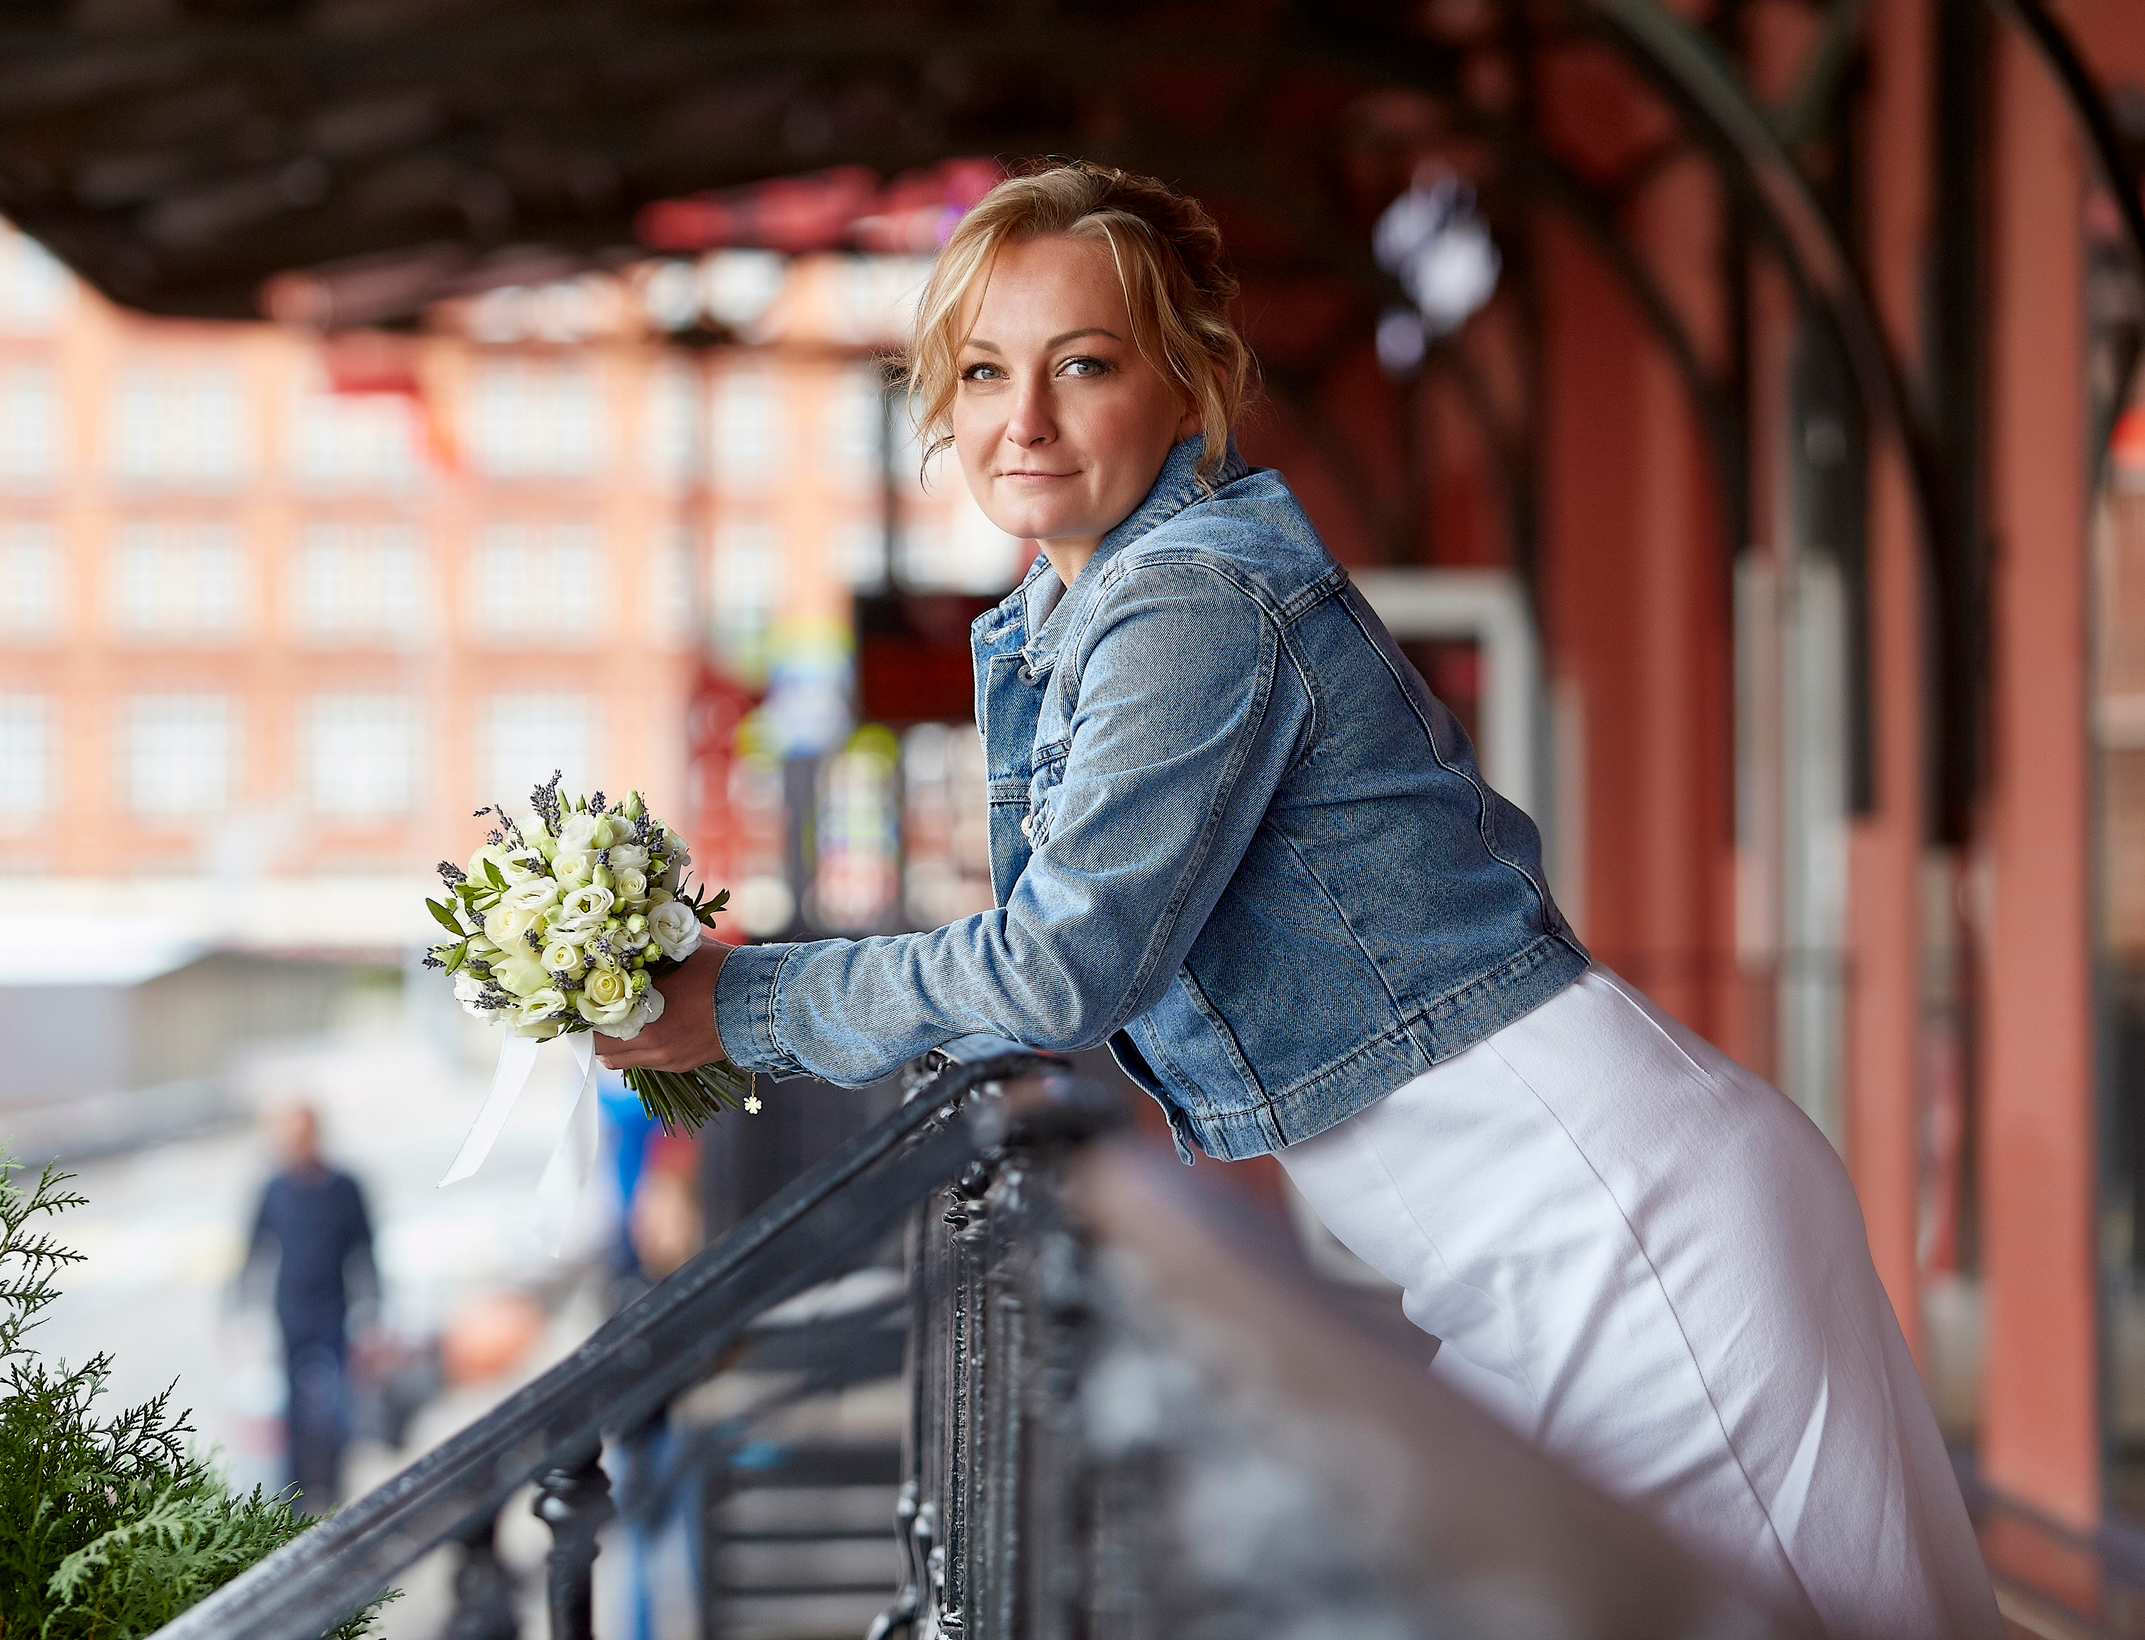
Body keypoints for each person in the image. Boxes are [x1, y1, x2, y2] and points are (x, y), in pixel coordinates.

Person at [602, 162, 1999, 1637]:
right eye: (983, 371)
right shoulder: (1061, 619)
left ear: (1190, 381)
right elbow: (1057, 924)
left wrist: (740, 1002)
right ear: (939, 404)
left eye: (1084, 363)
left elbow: (1059, 968)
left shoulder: (1188, 599)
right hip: (1526, 1240)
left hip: (1620, 1222)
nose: (1025, 419)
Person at [241, 1098, 377, 1515]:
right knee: (291, 1408)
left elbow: (367, 1251)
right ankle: (293, 1490)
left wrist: (375, 1312)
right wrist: (239, 1314)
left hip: (334, 1311)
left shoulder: (345, 1188)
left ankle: (333, 1486)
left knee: (336, 1405)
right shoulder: (274, 1190)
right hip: (290, 1312)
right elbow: (254, 1251)